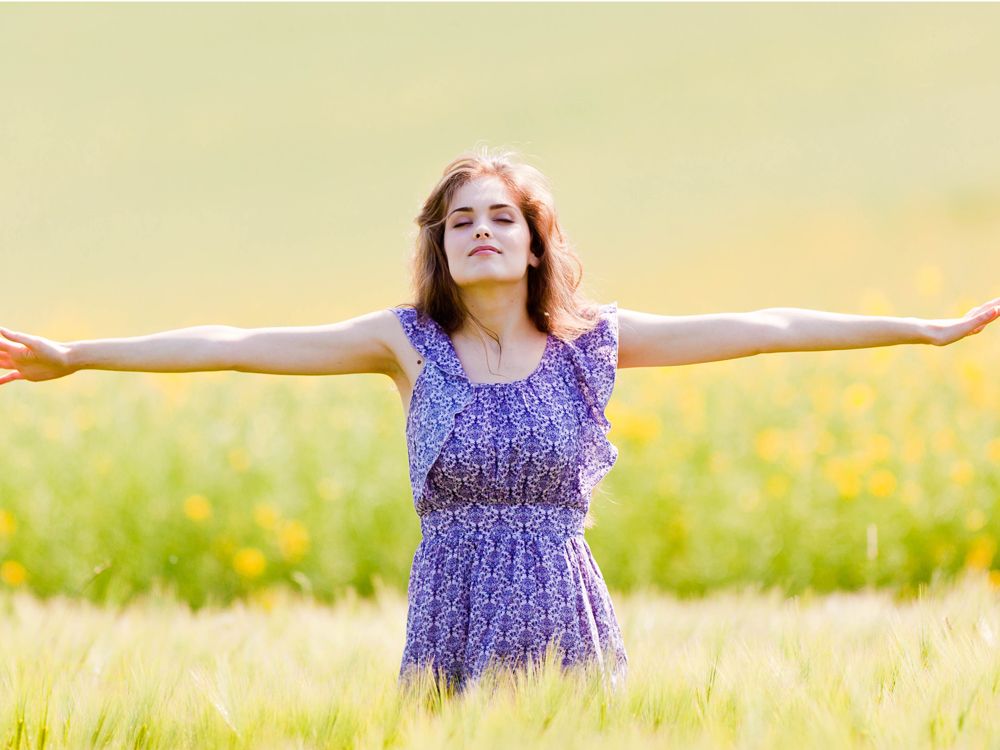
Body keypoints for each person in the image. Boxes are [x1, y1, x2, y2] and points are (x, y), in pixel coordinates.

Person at [0, 146, 997, 698]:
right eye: (461, 219)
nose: (481, 230)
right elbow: (232, 341)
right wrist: (79, 356)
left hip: (563, 614)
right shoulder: (401, 343)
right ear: (441, 246)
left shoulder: (594, 340)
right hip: (451, 614)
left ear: (531, 245)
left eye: (501, 217)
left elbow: (768, 325)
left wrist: (927, 330)